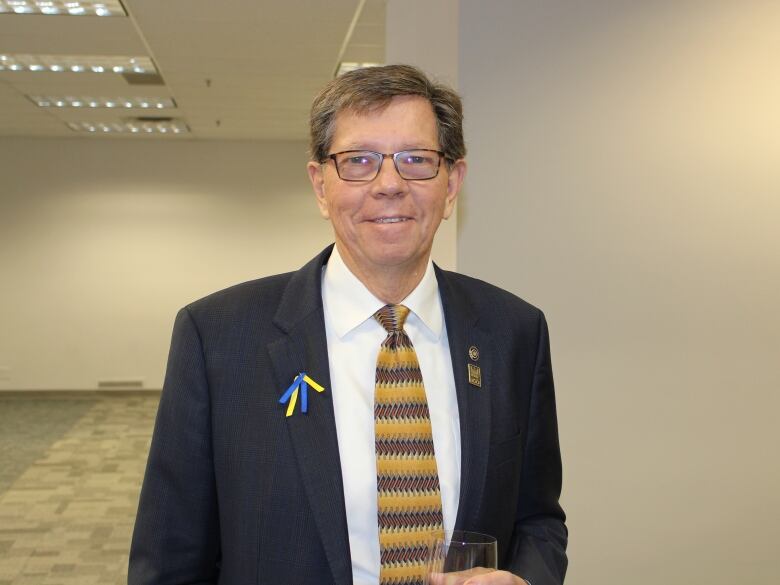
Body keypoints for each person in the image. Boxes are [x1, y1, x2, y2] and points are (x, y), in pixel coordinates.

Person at [129, 64, 567, 585]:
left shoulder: (513, 332)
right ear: (320, 185)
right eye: (358, 161)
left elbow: (538, 519)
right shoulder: (218, 337)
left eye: (416, 160)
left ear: (452, 185)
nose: (389, 184)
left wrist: (525, 579)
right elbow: (170, 555)